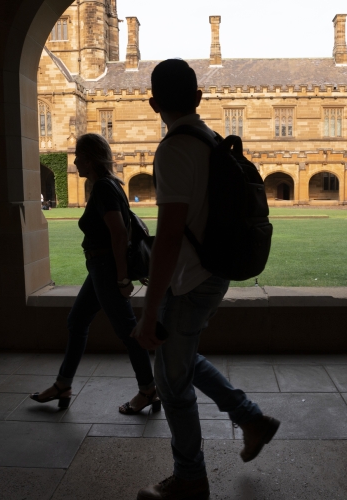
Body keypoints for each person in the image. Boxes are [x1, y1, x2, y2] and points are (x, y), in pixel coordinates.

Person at [132, 59, 280, 500]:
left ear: (154, 102)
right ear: (198, 98)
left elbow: (170, 235)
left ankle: (190, 479)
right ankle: (251, 418)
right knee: (180, 357)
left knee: (171, 383)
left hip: (190, 279)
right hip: (214, 270)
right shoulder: (210, 139)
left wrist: (148, 308)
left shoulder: (175, 148)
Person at [31, 133, 159, 415]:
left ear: (90, 159)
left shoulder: (103, 187)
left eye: (79, 156)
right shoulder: (110, 184)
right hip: (99, 269)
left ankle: (148, 389)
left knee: (128, 332)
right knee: (77, 321)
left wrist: (122, 279)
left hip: (106, 269)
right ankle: (63, 384)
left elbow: (119, 233)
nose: (74, 161)